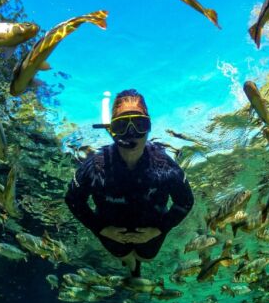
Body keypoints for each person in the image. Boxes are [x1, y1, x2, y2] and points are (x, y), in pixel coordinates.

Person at [65, 89, 195, 277]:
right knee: (122, 254)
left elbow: (186, 201)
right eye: (122, 125)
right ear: (112, 130)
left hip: (151, 230)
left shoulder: (165, 166)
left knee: (147, 256)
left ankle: (137, 266)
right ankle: (132, 266)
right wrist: (101, 228)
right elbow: (73, 199)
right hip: (111, 231)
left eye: (140, 124)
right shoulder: (95, 167)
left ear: (149, 127)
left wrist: (159, 229)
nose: (131, 133)